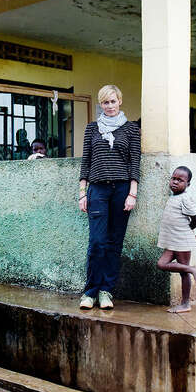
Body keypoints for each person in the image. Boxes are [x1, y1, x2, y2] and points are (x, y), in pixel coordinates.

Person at [77, 84, 141, 310]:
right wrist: (82, 193)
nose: (110, 106)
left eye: (113, 101)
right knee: (97, 242)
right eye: (105, 102)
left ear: (120, 101)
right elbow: (86, 161)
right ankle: (90, 291)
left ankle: (106, 292)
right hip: (98, 191)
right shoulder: (92, 128)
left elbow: (135, 162)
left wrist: (132, 193)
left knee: (114, 243)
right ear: (101, 104)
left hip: (122, 191)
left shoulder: (131, 129)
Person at [156, 166, 196, 313]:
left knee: (183, 274)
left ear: (188, 184)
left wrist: (189, 233)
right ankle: (192, 269)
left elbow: (195, 220)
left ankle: (185, 303)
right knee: (162, 264)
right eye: (173, 178)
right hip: (172, 240)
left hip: (181, 241)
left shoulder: (185, 198)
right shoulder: (173, 196)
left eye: (180, 180)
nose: (175, 182)